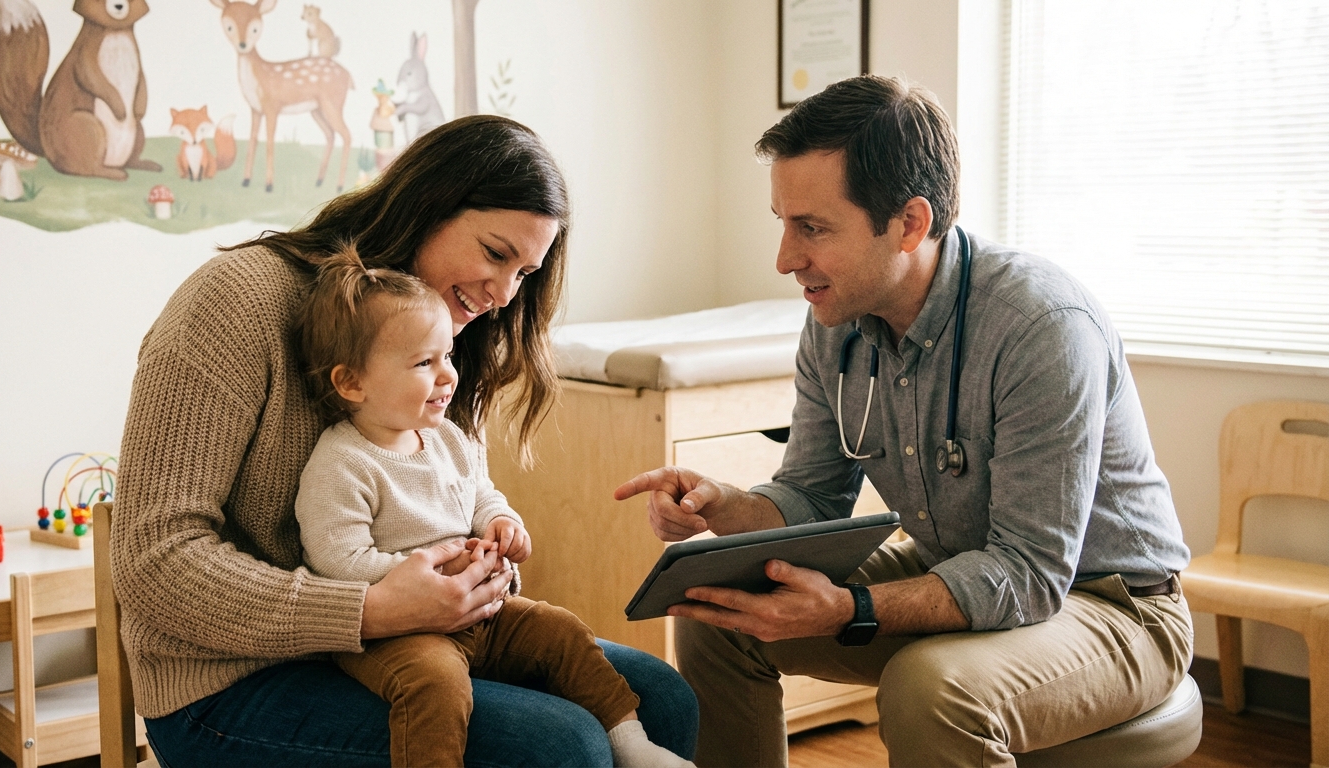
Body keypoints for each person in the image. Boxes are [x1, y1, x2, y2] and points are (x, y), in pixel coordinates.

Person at [615, 75, 1192, 767]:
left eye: (814, 228)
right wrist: (728, 509)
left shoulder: (1041, 327)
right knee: (720, 608)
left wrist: (853, 609)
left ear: (911, 224)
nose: (785, 259)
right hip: (960, 558)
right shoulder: (835, 323)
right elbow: (813, 496)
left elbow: (1032, 574)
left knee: (929, 689)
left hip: (1108, 602)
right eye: (783, 222)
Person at [112, 115, 697, 767]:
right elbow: (152, 559)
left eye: (525, 272)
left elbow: (454, 504)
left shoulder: (447, 334)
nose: (504, 295)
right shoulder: (238, 303)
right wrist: (367, 608)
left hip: (423, 634)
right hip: (229, 681)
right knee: (559, 746)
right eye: (496, 254)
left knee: (663, 700)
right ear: (427, 208)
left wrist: (481, 566)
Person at [293, 253, 694, 768]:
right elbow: (336, 560)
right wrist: (434, 574)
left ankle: (630, 743)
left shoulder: (446, 438)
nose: (447, 377)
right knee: (435, 687)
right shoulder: (342, 462)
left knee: (561, 631)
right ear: (352, 383)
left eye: (448, 357)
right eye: (423, 363)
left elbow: (480, 494)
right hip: (396, 633)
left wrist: (502, 523)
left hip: (483, 614)